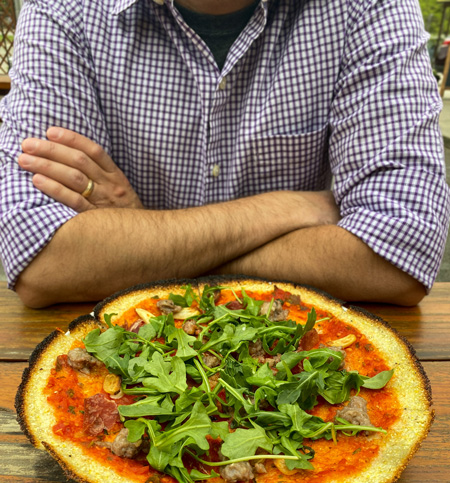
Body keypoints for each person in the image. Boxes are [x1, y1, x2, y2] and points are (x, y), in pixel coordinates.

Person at [0, 0, 449, 308]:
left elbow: (401, 252)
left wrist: (142, 245)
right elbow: (40, 262)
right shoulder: (64, 8)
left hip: (295, 354)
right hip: (117, 356)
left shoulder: (368, 7)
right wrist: (278, 211)